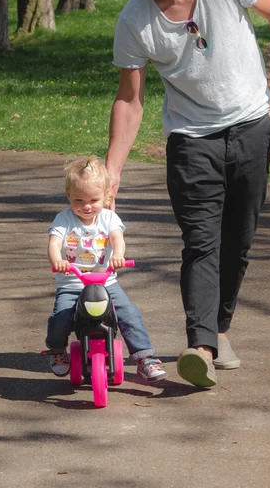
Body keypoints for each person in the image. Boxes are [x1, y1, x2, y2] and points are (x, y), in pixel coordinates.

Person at [106, 0, 270, 388]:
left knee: (238, 242)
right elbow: (130, 99)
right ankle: (200, 346)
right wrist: (113, 168)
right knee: (201, 243)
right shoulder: (136, 19)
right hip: (190, 140)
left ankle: (219, 329)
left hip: (249, 126)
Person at [43, 156, 167, 382]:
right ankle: (57, 350)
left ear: (106, 197)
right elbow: (54, 243)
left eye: (94, 199)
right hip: (73, 283)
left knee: (128, 313)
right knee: (61, 317)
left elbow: (117, 238)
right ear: (68, 195)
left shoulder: (109, 218)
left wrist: (118, 255)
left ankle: (144, 358)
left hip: (106, 282)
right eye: (79, 199)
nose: (87, 206)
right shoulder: (64, 219)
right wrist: (57, 262)